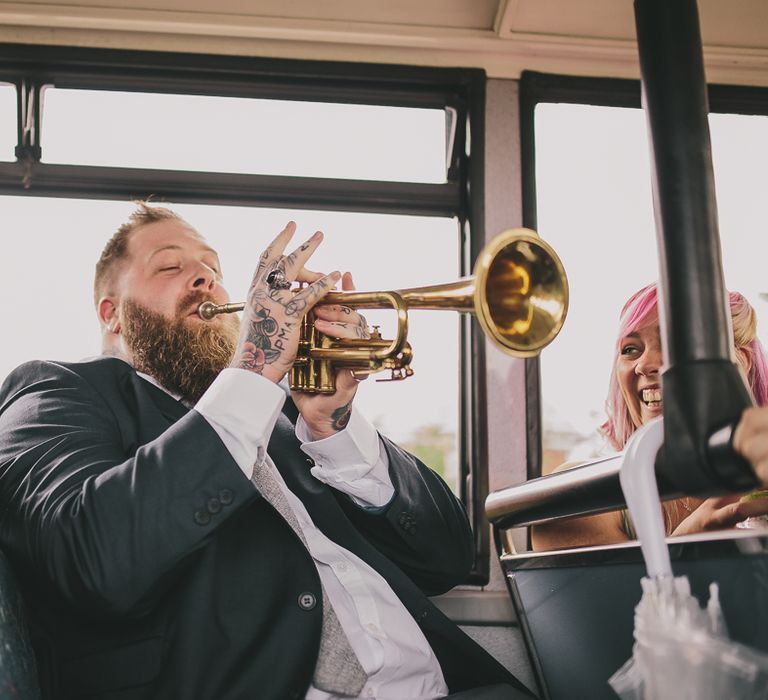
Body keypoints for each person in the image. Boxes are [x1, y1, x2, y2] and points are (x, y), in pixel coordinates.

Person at [0, 203, 533, 700]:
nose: (206, 277)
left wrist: (335, 428)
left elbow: (445, 559)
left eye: (213, 266)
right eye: (170, 268)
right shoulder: (56, 388)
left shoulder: (285, 416)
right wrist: (254, 371)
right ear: (113, 314)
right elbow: (91, 558)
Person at [532, 283, 768, 551]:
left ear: (741, 360)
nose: (644, 364)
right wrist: (689, 543)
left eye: (675, 343)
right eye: (631, 349)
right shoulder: (581, 496)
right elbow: (618, 594)